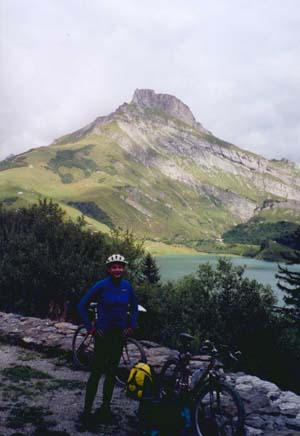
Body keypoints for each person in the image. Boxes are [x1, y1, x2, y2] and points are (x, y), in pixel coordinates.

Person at [77, 253, 138, 426]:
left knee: (111, 373)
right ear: (109, 269)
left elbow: (134, 307)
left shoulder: (127, 286)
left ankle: (105, 409)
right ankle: (87, 412)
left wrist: (132, 325)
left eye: (120, 266)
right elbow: (81, 305)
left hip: (119, 335)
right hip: (103, 335)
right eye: (114, 267)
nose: (117, 269)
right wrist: (91, 328)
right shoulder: (101, 285)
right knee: (96, 373)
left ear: (123, 268)